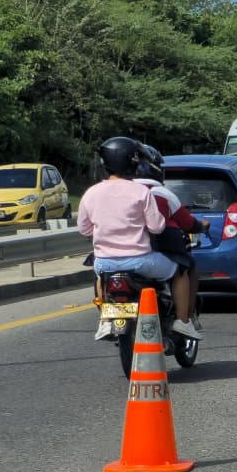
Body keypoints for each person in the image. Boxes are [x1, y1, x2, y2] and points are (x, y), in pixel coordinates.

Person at [74, 135, 201, 338]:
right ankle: (183, 321)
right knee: (180, 270)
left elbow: (84, 230)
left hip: (105, 262)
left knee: (100, 275)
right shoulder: (141, 192)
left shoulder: (91, 193)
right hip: (141, 262)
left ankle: (107, 320)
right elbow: (157, 227)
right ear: (132, 162)